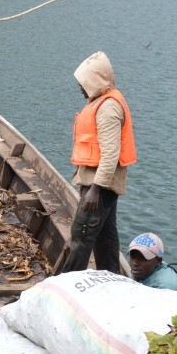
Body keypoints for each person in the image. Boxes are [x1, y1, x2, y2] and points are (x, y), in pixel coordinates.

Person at [59, 51, 136, 274]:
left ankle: (67, 286)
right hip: (101, 187)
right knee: (106, 242)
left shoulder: (108, 108)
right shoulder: (101, 102)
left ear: (95, 80)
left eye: (83, 82)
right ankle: (112, 283)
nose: (80, 87)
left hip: (100, 189)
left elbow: (111, 154)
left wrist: (95, 189)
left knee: (80, 239)